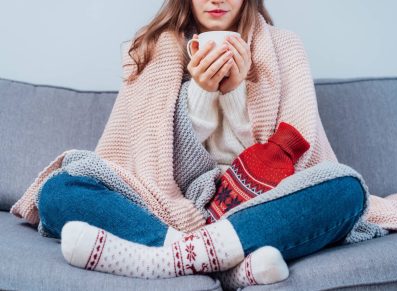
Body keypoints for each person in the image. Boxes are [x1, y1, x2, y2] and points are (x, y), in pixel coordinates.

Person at [35, 0, 366, 288]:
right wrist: (201, 94)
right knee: (58, 190)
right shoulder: (147, 48)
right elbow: (159, 171)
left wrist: (237, 92)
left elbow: (284, 160)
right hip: (167, 207)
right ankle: (229, 267)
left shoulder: (286, 48)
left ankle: (164, 258)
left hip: (257, 202)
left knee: (345, 188)